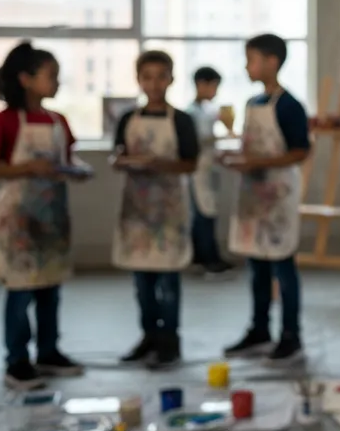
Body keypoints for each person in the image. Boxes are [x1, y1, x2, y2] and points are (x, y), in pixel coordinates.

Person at [0, 42, 90, 390]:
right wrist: (29, 166)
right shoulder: (3, 121)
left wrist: (78, 170)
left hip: (53, 216)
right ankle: (16, 360)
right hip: (19, 219)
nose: (57, 82)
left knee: (49, 289)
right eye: (51, 76)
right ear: (26, 79)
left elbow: (68, 159)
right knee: (20, 290)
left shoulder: (59, 121)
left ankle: (48, 351)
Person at [221, 34, 311, 367]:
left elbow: (301, 151)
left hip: (278, 199)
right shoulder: (252, 103)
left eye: (251, 59)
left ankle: (291, 335)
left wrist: (258, 163)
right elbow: (251, 147)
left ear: (272, 61)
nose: (247, 66)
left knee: (282, 267)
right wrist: (232, 158)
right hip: (252, 197)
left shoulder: (289, 105)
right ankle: (259, 330)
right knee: (256, 266)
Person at [112, 50, 199, 369]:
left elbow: (191, 163)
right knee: (142, 281)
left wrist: (161, 164)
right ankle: (148, 335)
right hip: (136, 211)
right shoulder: (127, 118)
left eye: (161, 76)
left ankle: (170, 339)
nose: (154, 83)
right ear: (138, 80)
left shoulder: (182, 120)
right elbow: (117, 156)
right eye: (147, 77)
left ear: (171, 79)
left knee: (168, 280)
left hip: (169, 210)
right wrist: (125, 163)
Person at [186, 66, 233, 279]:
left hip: (209, 168)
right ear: (201, 84)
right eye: (213, 86)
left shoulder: (207, 110)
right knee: (203, 215)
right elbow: (198, 142)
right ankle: (206, 259)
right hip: (198, 170)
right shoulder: (191, 113)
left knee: (209, 213)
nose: (215, 91)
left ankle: (209, 257)